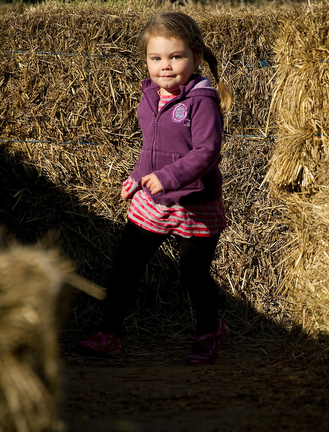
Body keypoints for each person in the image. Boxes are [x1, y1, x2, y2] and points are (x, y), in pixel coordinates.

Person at [76, 11, 233, 365]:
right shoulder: (150, 96)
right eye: (156, 58)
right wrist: (139, 175)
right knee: (126, 265)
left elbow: (207, 152)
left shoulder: (201, 100)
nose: (165, 66)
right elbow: (151, 146)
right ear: (146, 59)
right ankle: (109, 335)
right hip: (154, 201)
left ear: (194, 56)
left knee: (194, 273)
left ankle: (210, 330)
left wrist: (169, 177)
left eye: (176, 57)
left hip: (195, 203)